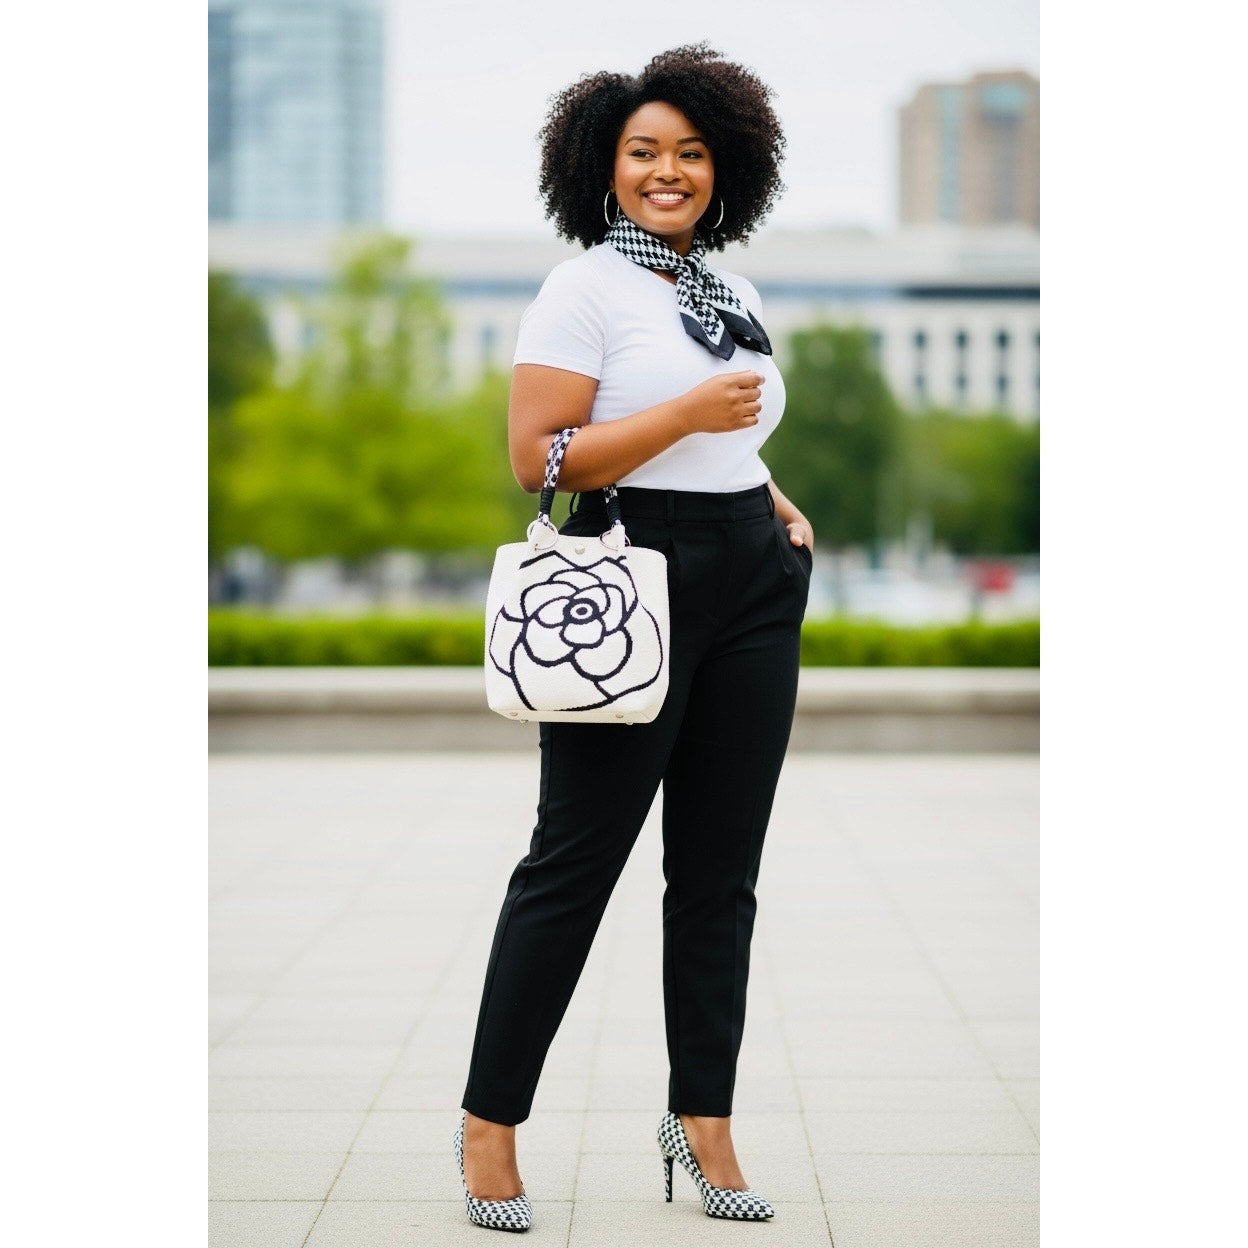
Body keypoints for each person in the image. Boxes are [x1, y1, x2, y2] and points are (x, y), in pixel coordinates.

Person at [454, 44, 813, 1232]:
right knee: (573, 866)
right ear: (603, 169)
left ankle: (701, 1119)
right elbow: (540, 459)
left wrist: (765, 493)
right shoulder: (584, 289)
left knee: (720, 877)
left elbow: (733, 428)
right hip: (629, 578)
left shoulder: (727, 290)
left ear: (727, 168)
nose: (670, 172)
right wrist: (682, 419)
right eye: (644, 153)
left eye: (692, 153)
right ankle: (489, 1126)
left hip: (752, 578)